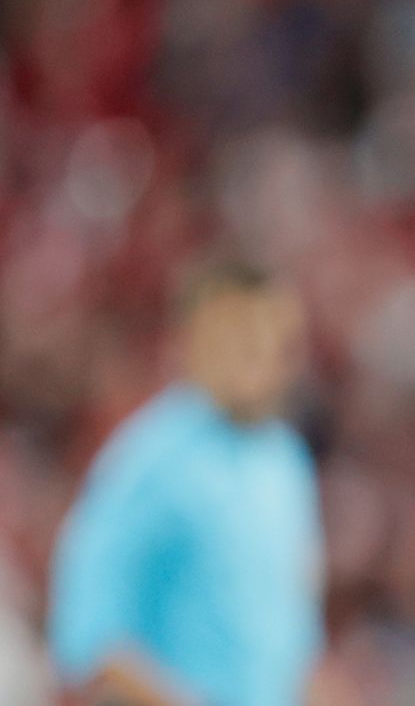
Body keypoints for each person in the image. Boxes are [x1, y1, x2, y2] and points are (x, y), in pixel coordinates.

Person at [48, 262, 324, 706]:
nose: (259, 358)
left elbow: (293, 642)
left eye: (273, 342)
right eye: (239, 340)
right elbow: (90, 642)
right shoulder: (145, 465)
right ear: (192, 341)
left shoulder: (285, 463)